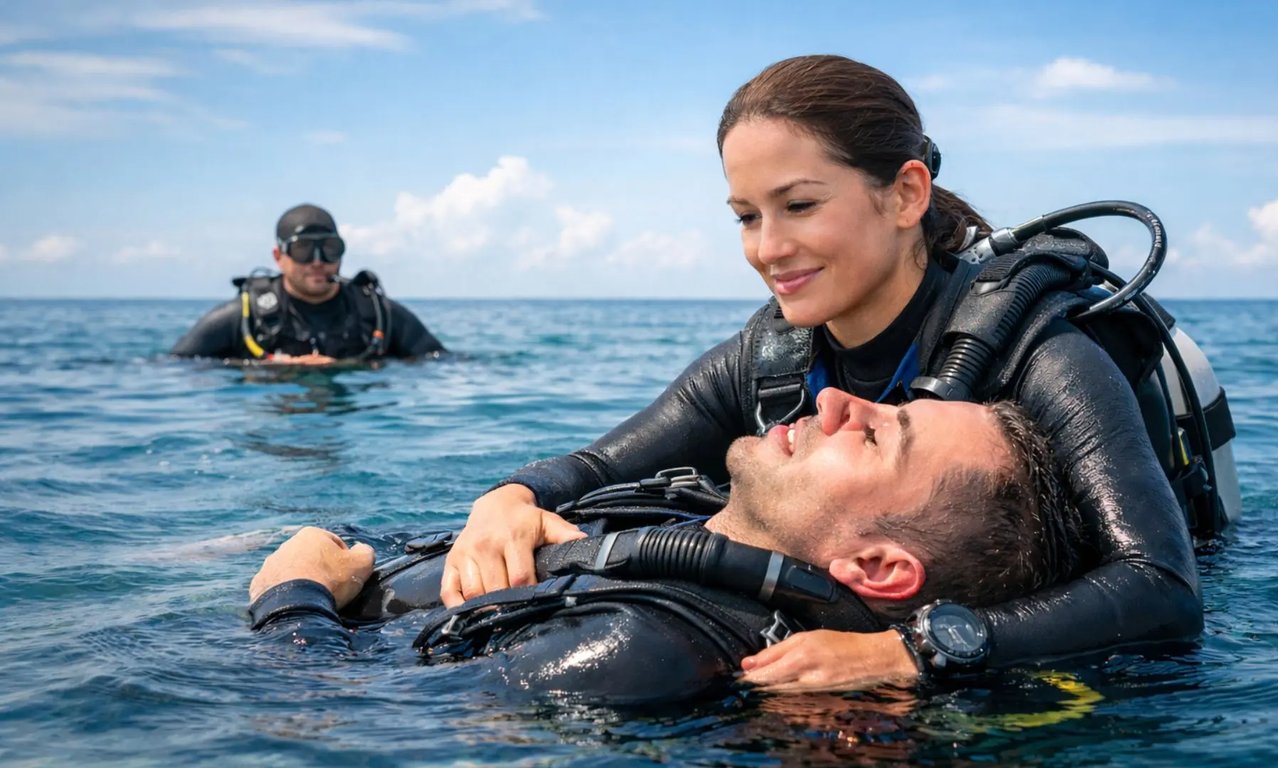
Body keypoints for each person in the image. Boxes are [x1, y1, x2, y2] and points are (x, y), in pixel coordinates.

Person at [439, 54, 1206, 690]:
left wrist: (910, 652)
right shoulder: (768, 358)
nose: (767, 248)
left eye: (799, 205)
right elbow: (599, 465)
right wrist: (507, 498)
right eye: (746, 215)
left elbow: (1163, 589)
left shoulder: (1046, 357)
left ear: (906, 194)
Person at [249, 390, 1084, 701]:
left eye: (872, 438)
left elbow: (332, 715)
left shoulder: (644, 648)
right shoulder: (679, 514)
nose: (835, 400)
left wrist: (290, 593)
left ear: (875, 567)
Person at [171, 203, 446, 363]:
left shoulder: (377, 313)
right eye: (303, 250)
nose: (317, 261)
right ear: (279, 257)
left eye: (329, 248)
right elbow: (175, 368)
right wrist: (267, 369)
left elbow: (442, 362)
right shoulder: (241, 317)